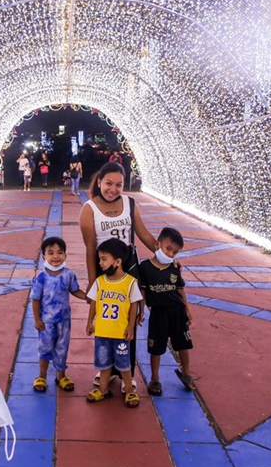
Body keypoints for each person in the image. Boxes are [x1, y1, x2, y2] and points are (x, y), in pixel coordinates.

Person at [79, 162, 171, 393]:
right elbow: (90, 248)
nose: (113, 189)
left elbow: (145, 236)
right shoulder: (89, 209)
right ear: (99, 182)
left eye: (119, 184)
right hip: (104, 272)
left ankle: (126, 372)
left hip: (129, 271)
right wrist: (93, 284)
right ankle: (106, 370)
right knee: (105, 323)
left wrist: (165, 257)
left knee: (128, 323)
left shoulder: (130, 203)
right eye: (109, 183)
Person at [85, 238, 142, 408]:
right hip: (102, 332)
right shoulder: (100, 281)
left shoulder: (130, 282)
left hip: (120, 333)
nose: (101, 263)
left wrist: (131, 326)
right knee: (104, 363)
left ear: (117, 261)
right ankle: (103, 389)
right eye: (100, 259)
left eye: (104, 259)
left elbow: (134, 305)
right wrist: (90, 322)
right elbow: (94, 302)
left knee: (124, 364)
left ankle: (130, 390)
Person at [138, 227, 195, 394]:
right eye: (168, 249)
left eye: (175, 252)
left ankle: (186, 374)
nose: (170, 254)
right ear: (157, 244)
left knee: (183, 345)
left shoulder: (174, 268)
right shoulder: (145, 267)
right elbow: (143, 291)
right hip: (158, 313)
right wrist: (141, 310)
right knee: (155, 347)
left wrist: (187, 310)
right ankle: (155, 379)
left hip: (177, 312)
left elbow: (180, 289)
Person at [30, 237, 87, 393]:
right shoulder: (41, 278)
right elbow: (35, 300)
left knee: (62, 348)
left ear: (65, 256)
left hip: (64, 322)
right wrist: (37, 319)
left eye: (59, 253)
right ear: (44, 257)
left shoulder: (69, 274)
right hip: (46, 322)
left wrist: (87, 297)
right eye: (51, 253)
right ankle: (41, 376)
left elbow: (74, 290)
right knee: (45, 348)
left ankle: (61, 375)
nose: (56, 256)